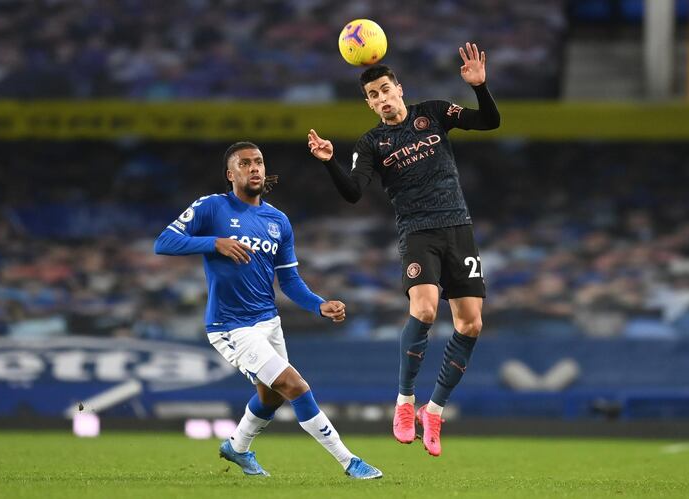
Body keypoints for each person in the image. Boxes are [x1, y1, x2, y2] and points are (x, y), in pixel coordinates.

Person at [307, 43, 500, 457]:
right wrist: (328, 161)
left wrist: (480, 88)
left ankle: (435, 411)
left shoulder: (433, 112)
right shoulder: (372, 142)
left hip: (458, 227)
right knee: (426, 309)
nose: (381, 99)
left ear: (399, 89)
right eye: (373, 96)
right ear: (369, 103)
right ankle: (405, 402)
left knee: (471, 325)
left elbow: (489, 121)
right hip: (418, 232)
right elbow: (354, 192)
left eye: (385, 90)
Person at [154, 142, 382, 479]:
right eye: (245, 164)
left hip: (268, 322)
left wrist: (320, 305)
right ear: (231, 174)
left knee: (272, 396)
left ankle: (237, 447)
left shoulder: (277, 221)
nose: (254, 168)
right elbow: (164, 242)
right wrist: (213, 242)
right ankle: (349, 462)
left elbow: (289, 281)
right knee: (295, 386)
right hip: (231, 325)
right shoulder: (211, 207)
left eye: (258, 162)